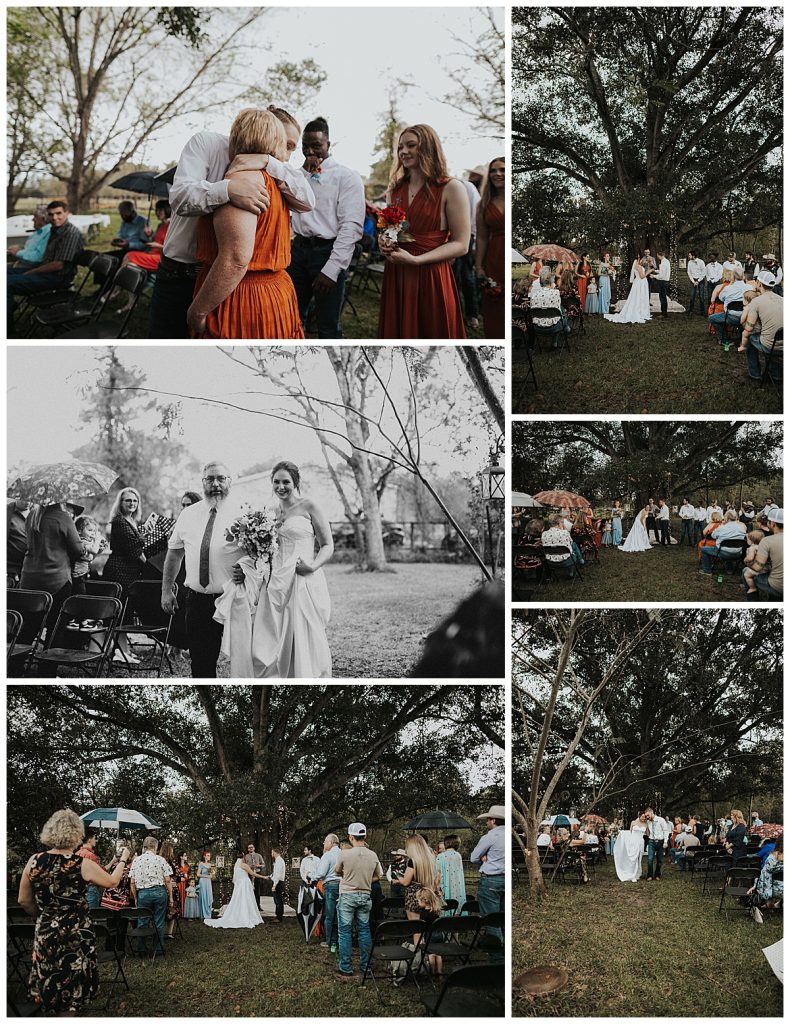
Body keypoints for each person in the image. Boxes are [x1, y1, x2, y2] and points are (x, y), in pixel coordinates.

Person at [149, 105, 314, 338]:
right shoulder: (206, 144)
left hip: (225, 281)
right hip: (181, 273)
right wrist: (227, 189)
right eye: (285, 144)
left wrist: (269, 162)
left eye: (291, 149)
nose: (286, 155)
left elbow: (308, 201)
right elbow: (180, 198)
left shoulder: (275, 171)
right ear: (266, 129)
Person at [187, 109, 303, 339]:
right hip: (276, 293)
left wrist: (197, 311)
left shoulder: (243, 181)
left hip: (241, 299)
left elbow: (235, 259)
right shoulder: (279, 183)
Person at [18, 810, 130, 1014]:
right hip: (76, 933)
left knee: (49, 984)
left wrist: (43, 917)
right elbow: (112, 881)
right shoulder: (82, 864)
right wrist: (123, 859)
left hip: (46, 933)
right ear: (77, 834)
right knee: (72, 990)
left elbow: (23, 900)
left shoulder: (33, 861)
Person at [241, 461, 334, 678]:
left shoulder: (309, 506)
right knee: (267, 637)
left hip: (301, 577)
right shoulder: (269, 511)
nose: (281, 487)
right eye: (276, 482)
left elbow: (328, 545)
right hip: (273, 579)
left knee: (299, 632)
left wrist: (312, 566)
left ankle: (301, 674)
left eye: (286, 482)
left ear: (296, 482)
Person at [378, 124, 470, 338]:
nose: (404, 152)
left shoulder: (451, 188)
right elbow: (390, 229)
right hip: (398, 271)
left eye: (411, 145)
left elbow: (462, 244)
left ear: (428, 148)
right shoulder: (394, 189)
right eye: (400, 147)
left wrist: (418, 261)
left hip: (431, 273)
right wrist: (383, 240)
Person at [287, 116, 366, 338]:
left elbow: (351, 226)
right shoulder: (296, 175)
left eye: (317, 146)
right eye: (306, 146)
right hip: (298, 253)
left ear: (328, 145)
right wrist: (303, 173)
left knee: (327, 326)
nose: (311, 151)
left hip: (328, 252)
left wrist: (333, 269)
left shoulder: (346, 177)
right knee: (291, 318)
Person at [162, 461, 241, 676]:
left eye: (221, 478)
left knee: (241, 661)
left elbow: (259, 556)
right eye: (210, 479)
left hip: (234, 599)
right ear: (202, 483)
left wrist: (248, 570)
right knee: (200, 663)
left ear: (230, 481)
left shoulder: (243, 513)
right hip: (197, 600)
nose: (215, 484)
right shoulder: (188, 514)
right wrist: (166, 591)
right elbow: (174, 553)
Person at [7, 200, 84, 333]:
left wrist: (32, 272)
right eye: (51, 214)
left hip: (58, 277)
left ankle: (8, 330)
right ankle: (9, 307)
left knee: (5, 284)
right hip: (44, 271)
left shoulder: (70, 233)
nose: (55, 218)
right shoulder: (55, 230)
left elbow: (58, 265)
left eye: (59, 213)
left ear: (67, 213)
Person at [20, 502, 85, 630]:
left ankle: (24, 650)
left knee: (29, 628)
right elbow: (78, 550)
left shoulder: (32, 516)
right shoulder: (63, 517)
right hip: (57, 580)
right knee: (55, 629)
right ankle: (51, 649)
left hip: (29, 578)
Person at [103, 486, 147, 664]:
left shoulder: (131, 520)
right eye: (128, 500)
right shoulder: (119, 521)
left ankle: (124, 650)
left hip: (129, 571)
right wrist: (149, 565)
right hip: (119, 570)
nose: (132, 503)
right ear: (120, 502)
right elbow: (133, 550)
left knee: (126, 612)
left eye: (135, 500)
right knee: (120, 612)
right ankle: (118, 651)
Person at [334, 823, 381, 979]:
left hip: (347, 895)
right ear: (365, 836)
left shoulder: (345, 854)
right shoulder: (373, 855)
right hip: (365, 895)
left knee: (345, 932)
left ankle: (346, 967)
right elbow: (377, 875)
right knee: (364, 930)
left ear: (350, 837)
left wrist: (348, 876)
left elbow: (337, 871)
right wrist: (365, 878)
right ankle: (366, 965)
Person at [474, 156, 505, 338]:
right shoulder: (483, 204)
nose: (497, 174)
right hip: (493, 257)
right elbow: (482, 238)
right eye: (493, 170)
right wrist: (479, 267)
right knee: (494, 308)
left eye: (502, 169)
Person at [128, 835, 174, 953]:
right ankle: (158, 948)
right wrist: (171, 897)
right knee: (159, 920)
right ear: (156, 847)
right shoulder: (160, 859)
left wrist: (136, 897)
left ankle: (142, 947)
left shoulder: (136, 860)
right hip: (159, 892)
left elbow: (132, 882)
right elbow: (168, 880)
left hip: (143, 893)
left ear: (144, 847)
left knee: (142, 920)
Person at [470, 804, 505, 959]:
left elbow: (473, 858)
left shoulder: (490, 837)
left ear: (493, 820)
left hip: (491, 881)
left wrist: (484, 858)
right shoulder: (509, 835)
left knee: (492, 921)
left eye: (488, 820)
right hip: (505, 879)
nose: (486, 823)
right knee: (503, 918)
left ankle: (498, 959)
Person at [739, 270, 783, 383]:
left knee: (749, 337)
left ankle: (755, 374)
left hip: (770, 346)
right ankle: (776, 374)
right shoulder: (783, 299)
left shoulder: (756, 302)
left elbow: (748, 329)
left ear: (759, 283)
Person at [204, 850, 265, 929]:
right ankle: (246, 916)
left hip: (239, 885)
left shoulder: (236, 865)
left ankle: (240, 914)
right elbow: (253, 874)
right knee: (246, 900)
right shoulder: (244, 865)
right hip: (245, 884)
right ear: (243, 857)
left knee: (239, 900)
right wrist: (263, 877)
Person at [699, 509, 747, 575]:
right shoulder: (741, 528)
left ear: (726, 518)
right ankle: (729, 569)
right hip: (738, 553)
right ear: (736, 518)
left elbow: (713, 536)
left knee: (704, 549)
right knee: (730, 546)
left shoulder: (722, 528)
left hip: (723, 553)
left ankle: (707, 570)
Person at [604, 257, 651, 324]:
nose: (643, 260)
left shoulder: (638, 266)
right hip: (640, 283)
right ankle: (640, 312)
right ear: (638, 260)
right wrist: (649, 271)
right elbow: (642, 276)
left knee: (638, 297)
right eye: (641, 259)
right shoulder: (638, 266)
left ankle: (641, 311)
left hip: (638, 283)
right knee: (639, 297)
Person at [316, 833, 341, 950]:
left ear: (331, 843)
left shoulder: (327, 855)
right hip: (343, 886)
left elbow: (321, 873)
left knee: (329, 915)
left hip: (330, 886)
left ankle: (329, 940)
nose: (324, 844)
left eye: (325, 841)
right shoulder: (343, 854)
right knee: (340, 914)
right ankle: (339, 939)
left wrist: (310, 875)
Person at [435, 834, 467, 913]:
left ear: (446, 843)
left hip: (445, 886)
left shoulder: (440, 856)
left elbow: (437, 874)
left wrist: (437, 889)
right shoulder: (458, 855)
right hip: (457, 886)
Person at [613, 813, 647, 882]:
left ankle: (637, 873)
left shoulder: (645, 824)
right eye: (642, 817)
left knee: (639, 858)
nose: (644, 818)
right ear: (639, 816)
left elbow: (648, 833)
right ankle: (631, 874)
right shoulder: (633, 822)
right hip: (633, 841)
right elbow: (630, 832)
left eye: (645, 817)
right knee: (633, 858)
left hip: (640, 842)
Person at [7, 498, 29, 587]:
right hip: (11, 571)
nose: (27, 502)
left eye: (30, 499)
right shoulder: (6, 512)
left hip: (29, 570)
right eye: (25, 498)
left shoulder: (36, 513)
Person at [644, 808, 670, 880]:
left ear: (652, 813)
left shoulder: (661, 820)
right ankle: (650, 875)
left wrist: (665, 841)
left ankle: (657, 875)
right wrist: (646, 828)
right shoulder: (648, 822)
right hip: (651, 841)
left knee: (660, 860)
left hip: (660, 842)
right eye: (646, 816)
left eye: (648, 815)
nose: (647, 817)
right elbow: (648, 833)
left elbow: (665, 831)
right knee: (650, 859)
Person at [265, 847, 287, 923]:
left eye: (272, 852)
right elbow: (275, 873)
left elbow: (278, 875)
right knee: (277, 900)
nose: (271, 854)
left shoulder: (280, 861)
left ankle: (279, 917)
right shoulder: (278, 861)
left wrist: (274, 885)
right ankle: (277, 914)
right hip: (277, 882)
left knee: (278, 900)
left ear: (275, 852)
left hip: (278, 883)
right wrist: (270, 876)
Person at [244, 843, 265, 908]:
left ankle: (258, 905)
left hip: (257, 873)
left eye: (251, 847)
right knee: (249, 890)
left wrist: (258, 865)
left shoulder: (258, 855)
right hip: (249, 874)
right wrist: (249, 867)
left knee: (257, 890)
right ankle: (249, 906)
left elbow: (263, 865)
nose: (250, 848)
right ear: (248, 849)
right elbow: (244, 865)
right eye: (249, 848)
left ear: (254, 848)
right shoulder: (245, 856)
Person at [196, 850, 215, 918]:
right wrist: (207, 876)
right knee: (203, 896)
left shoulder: (210, 865)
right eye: (208, 855)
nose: (209, 857)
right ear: (204, 856)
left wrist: (212, 873)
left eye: (209, 855)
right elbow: (198, 874)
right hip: (203, 881)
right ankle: (203, 914)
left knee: (209, 895)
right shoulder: (201, 864)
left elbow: (211, 874)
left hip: (208, 882)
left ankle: (208, 913)